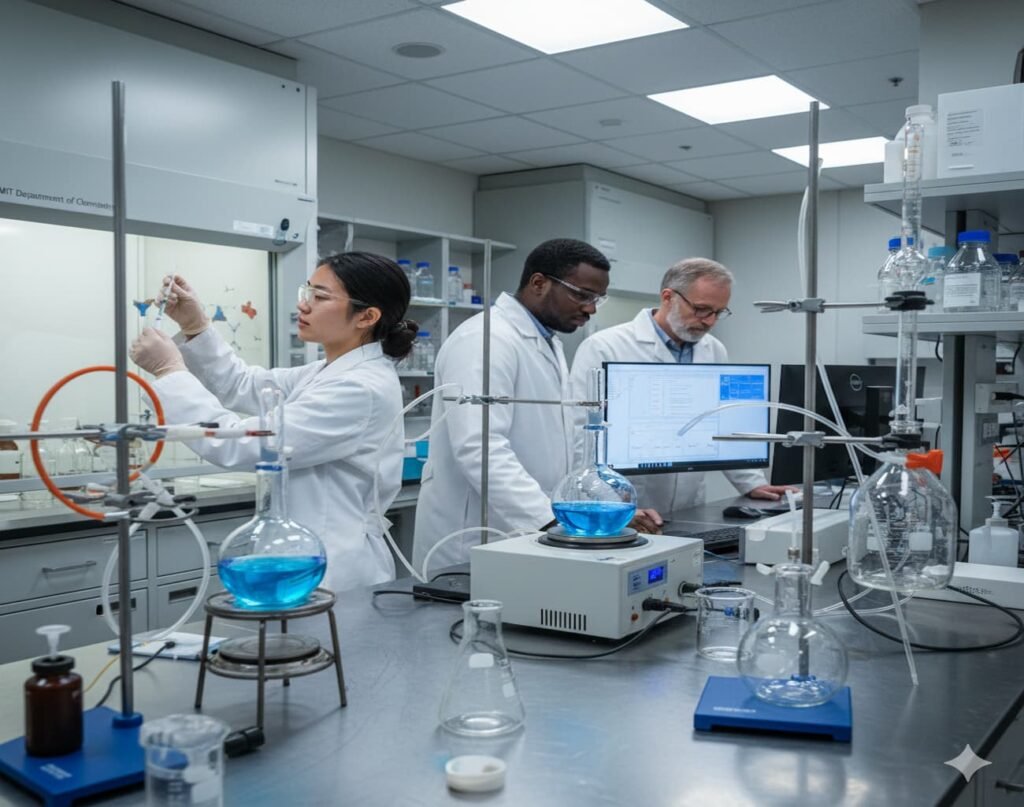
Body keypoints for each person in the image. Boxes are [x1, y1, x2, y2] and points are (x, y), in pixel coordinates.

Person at [129, 252, 417, 593]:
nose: (303, 305)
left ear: (367, 316)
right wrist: (196, 326)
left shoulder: (359, 387)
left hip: (332, 563)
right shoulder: (327, 372)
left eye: (320, 297)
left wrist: (169, 372)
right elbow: (242, 384)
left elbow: (245, 444)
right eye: (307, 291)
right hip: (304, 552)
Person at [412, 238, 657, 573]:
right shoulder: (485, 339)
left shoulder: (547, 342)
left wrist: (598, 510)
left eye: (598, 298)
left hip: (528, 534)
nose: (591, 309)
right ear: (539, 283)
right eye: (582, 295)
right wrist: (550, 519)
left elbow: (560, 444)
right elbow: (480, 447)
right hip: (474, 536)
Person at [570, 257, 793, 521]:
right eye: (701, 309)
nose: (710, 321)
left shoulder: (713, 350)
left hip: (689, 504)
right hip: (625, 499)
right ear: (668, 297)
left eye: (718, 312)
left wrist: (752, 483)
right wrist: (609, 505)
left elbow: (723, 422)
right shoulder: (605, 347)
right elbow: (581, 435)